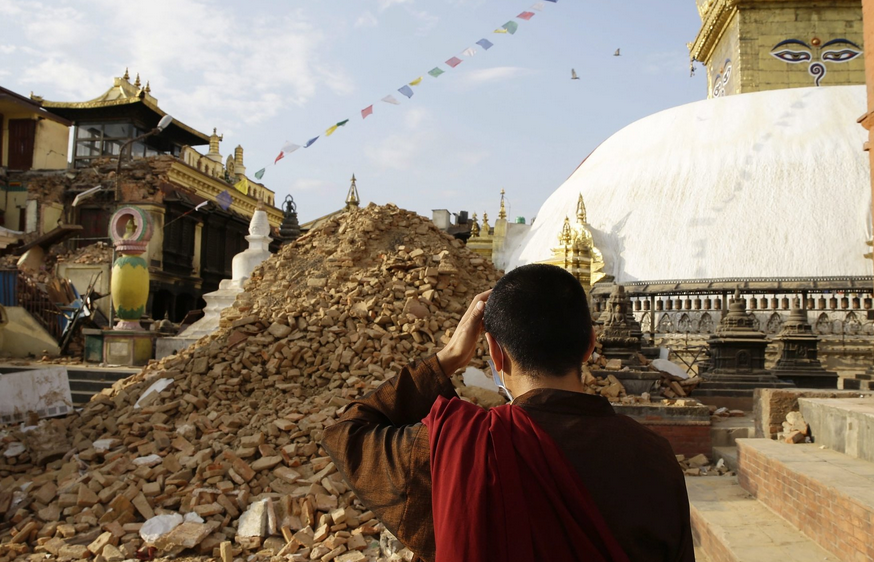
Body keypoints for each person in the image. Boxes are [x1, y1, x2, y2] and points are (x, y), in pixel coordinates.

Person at [322, 264, 694, 562]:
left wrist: (448, 357)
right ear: (589, 346)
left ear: (495, 354)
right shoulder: (654, 456)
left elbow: (345, 433)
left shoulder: (455, 448)